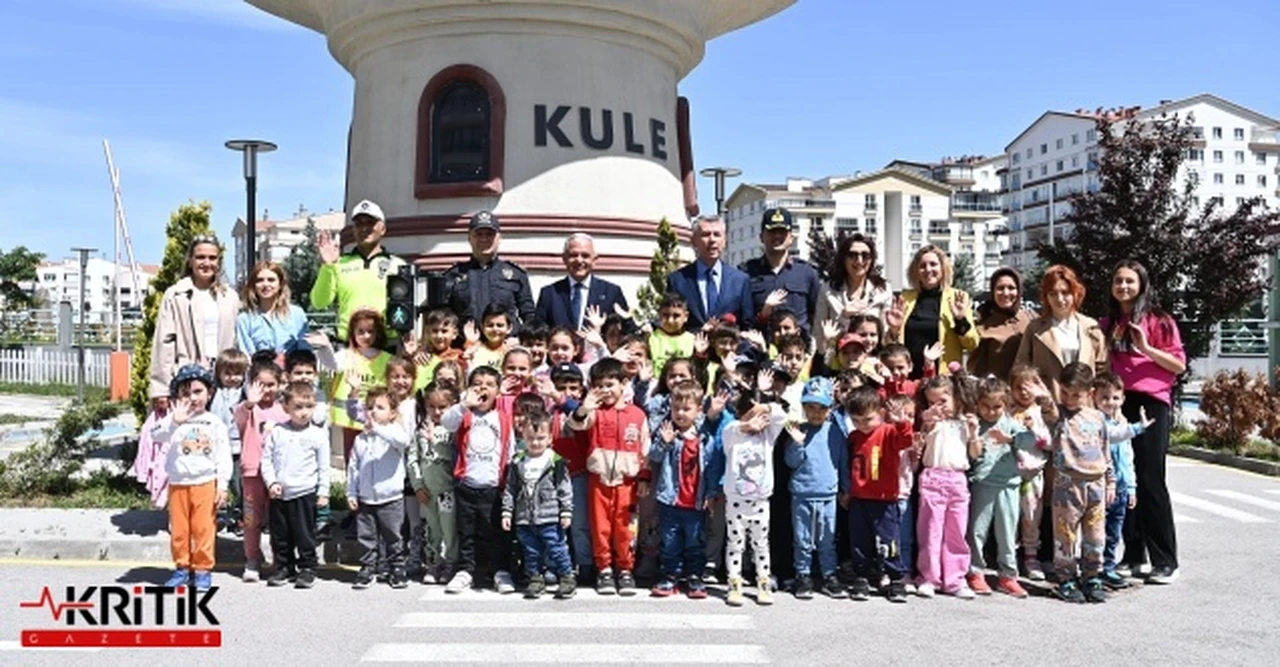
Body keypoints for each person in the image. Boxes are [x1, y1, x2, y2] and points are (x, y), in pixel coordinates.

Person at [1101, 259, 1185, 585]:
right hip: (1119, 404)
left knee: (1150, 479)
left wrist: (1146, 347)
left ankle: (1165, 559)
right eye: (1118, 281)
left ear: (1142, 285)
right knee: (1124, 479)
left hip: (1151, 403)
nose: (1123, 286)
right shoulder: (1109, 324)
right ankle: (1134, 555)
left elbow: (1177, 365)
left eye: (1130, 282)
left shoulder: (1159, 321)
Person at [568, 358, 650, 596]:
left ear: (624, 384)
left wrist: (644, 476)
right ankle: (603, 569)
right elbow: (576, 424)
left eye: (610, 384)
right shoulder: (594, 413)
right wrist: (585, 407)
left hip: (627, 482)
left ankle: (625, 569)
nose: (605, 390)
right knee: (600, 527)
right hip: (599, 480)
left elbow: (645, 448)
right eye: (599, 386)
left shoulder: (637, 415)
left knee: (625, 528)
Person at [151, 364, 232, 591]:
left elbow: (223, 456)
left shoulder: (213, 423)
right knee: (179, 530)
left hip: (205, 483)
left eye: (198, 392)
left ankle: (203, 570)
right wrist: (174, 420)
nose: (192, 398)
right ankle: (182, 568)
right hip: (178, 484)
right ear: (177, 396)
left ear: (209, 393)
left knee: (204, 529)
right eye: (185, 393)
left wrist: (222, 485)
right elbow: (156, 435)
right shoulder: (174, 420)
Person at [1042, 363, 1115, 604]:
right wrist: (1045, 397)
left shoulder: (1098, 418)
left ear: (1090, 393)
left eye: (1076, 395)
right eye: (1065, 393)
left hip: (1096, 484)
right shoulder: (1058, 415)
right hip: (1067, 485)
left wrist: (1110, 481)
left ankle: (1092, 576)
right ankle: (1066, 579)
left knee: (1095, 536)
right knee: (1065, 535)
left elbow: (1106, 451)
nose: (1070, 399)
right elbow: (1048, 411)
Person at [440, 366, 516, 594]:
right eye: (477, 384)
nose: (483, 388)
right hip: (467, 484)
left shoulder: (503, 418)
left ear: (498, 392)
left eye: (490, 384)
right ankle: (465, 571)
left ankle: (500, 571)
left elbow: (509, 450)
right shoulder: (464, 414)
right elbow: (446, 422)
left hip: (494, 487)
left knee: (496, 532)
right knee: (467, 532)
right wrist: (465, 403)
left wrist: (508, 482)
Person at [149, 234, 241, 415]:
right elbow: (164, 342)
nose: (206, 263)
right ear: (190, 261)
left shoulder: (230, 296)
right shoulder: (176, 294)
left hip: (223, 379)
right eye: (200, 257)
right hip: (187, 376)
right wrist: (161, 388)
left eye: (212, 258)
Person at [648, 380, 724, 599]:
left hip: (696, 502)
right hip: (670, 500)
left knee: (695, 542)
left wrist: (710, 494)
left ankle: (695, 577)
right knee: (670, 542)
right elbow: (654, 457)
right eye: (675, 408)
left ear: (698, 410)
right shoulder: (667, 431)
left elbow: (711, 467)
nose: (680, 413)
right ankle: (669, 576)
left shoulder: (705, 436)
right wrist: (664, 442)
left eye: (686, 409)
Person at [965, 377, 1037, 599]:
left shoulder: (1011, 424)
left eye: (997, 407)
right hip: (982, 484)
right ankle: (974, 571)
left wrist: (1013, 438)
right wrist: (973, 434)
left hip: (1009, 485)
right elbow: (971, 454)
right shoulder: (975, 424)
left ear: (1006, 405)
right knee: (977, 530)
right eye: (985, 406)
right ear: (978, 403)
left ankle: (1008, 576)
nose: (991, 412)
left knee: (1007, 532)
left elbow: (1031, 441)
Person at [841, 387, 914, 603]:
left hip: (885, 500)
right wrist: (846, 491)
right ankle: (862, 576)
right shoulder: (853, 437)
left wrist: (901, 422)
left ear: (881, 413)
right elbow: (847, 465)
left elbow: (905, 441)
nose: (862, 425)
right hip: (859, 499)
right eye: (856, 420)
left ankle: (895, 579)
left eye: (868, 419)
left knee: (889, 541)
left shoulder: (889, 431)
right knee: (859, 541)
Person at [719, 382, 787, 607]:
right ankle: (734, 582)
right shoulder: (733, 433)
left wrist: (766, 403)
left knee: (760, 543)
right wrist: (746, 424)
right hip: (736, 500)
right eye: (752, 415)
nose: (759, 421)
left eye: (762, 417)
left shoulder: (768, 436)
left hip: (760, 500)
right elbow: (731, 430)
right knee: (735, 543)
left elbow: (780, 416)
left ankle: (763, 581)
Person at [260, 381, 330, 589]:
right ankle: (284, 566)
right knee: (280, 535)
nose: (303, 413)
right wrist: (271, 482)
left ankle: (308, 567)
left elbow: (323, 466)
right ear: (286, 408)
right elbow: (267, 460)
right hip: (280, 494)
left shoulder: (317, 435)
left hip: (304, 493)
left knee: (304, 534)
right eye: (298, 407)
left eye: (308, 407)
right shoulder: (278, 432)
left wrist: (323, 491)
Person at [500, 411, 577, 599]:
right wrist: (507, 512)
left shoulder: (555, 462)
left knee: (557, 547)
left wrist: (566, 511)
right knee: (531, 551)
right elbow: (511, 489)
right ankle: (535, 578)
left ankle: (566, 577)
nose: (535, 443)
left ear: (550, 438)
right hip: (525, 517)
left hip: (550, 515)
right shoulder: (518, 461)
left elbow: (564, 487)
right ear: (523, 437)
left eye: (541, 438)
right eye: (531, 438)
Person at [311, 199, 410, 344]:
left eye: (370, 223)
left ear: (382, 229)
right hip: (348, 347)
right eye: (359, 223)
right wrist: (327, 267)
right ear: (353, 230)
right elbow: (319, 302)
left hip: (387, 346)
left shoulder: (397, 265)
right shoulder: (338, 264)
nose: (364, 228)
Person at [914, 376, 977, 600]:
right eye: (931, 402)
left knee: (956, 532)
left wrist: (975, 433)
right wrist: (927, 419)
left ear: (955, 398)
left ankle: (955, 579)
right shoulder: (931, 422)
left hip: (958, 479)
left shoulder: (964, 422)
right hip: (933, 477)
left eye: (942, 401)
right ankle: (929, 577)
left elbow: (975, 453)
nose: (937, 407)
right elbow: (923, 430)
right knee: (931, 531)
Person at [784, 378, 846, 600]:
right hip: (802, 493)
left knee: (827, 538)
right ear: (803, 407)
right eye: (810, 407)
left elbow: (843, 462)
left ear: (830, 408)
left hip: (828, 494)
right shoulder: (798, 430)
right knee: (802, 537)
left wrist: (845, 489)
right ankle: (803, 574)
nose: (816, 413)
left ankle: (829, 574)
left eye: (821, 408)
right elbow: (790, 462)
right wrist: (797, 444)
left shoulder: (835, 432)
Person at [347, 387, 412, 590]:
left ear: (392, 413)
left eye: (380, 407)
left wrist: (378, 429)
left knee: (394, 536)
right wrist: (351, 491)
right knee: (366, 536)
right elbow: (353, 467)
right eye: (370, 407)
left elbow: (403, 441)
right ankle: (367, 567)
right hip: (367, 498)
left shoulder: (394, 433)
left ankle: (397, 567)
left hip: (391, 498)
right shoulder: (361, 439)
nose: (373, 411)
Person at [884, 244, 978, 378]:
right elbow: (889, 348)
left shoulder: (957, 298)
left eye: (933, 264)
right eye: (922, 266)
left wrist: (960, 320)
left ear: (943, 268)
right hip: (907, 379)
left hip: (942, 381)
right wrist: (893, 330)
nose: (928, 269)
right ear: (916, 271)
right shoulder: (905, 299)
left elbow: (971, 343)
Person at [1093, 372, 1150, 590]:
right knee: (1097, 529)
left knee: (1114, 532)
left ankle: (1108, 567)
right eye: (1105, 398)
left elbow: (1127, 458)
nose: (1110, 402)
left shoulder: (1122, 421)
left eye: (1115, 398)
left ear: (1123, 398)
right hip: (1104, 485)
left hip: (1122, 487)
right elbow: (1113, 435)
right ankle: (1094, 567)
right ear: (1094, 398)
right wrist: (1138, 428)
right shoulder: (1098, 422)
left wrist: (1132, 488)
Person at [1014, 265, 1107, 400]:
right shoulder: (1034, 328)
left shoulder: (1090, 327)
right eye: (1053, 293)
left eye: (1065, 292)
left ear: (1075, 293)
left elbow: (1102, 368)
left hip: (1084, 406)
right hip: (1048, 403)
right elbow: (1021, 368)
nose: (1059, 299)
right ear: (1046, 296)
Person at [232, 357, 288, 582]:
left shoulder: (285, 410)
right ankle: (252, 559)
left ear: (280, 384)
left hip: (278, 474)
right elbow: (239, 420)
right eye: (260, 384)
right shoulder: (247, 409)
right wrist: (249, 403)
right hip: (253, 471)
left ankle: (280, 560)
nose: (266, 389)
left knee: (278, 520)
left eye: (271, 384)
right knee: (251, 519)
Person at [438, 211, 536, 330]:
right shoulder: (453, 275)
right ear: (469, 238)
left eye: (489, 234)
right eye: (478, 234)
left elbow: (529, 316)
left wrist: (520, 339)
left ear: (499, 238)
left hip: (506, 345)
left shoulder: (516, 274)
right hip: (465, 346)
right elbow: (440, 317)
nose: (484, 239)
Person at [740, 208, 821, 336]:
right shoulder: (746, 273)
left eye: (782, 232)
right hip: (760, 350)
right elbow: (743, 320)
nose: (777, 236)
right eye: (772, 231)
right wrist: (764, 313)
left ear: (791, 237)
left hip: (798, 351)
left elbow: (818, 315)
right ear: (761, 237)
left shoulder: (807, 273)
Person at [410, 381, 461, 585]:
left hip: (447, 490)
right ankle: (433, 562)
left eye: (442, 407)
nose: (437, 411)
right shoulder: (420, 430)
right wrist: (418, 486)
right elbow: (413, 459)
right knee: (432, 529)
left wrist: (435, 441)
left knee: (449, 529)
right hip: (428, 491)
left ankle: (450, 562)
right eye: (432, 406)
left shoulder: (453, 432)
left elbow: (453, 457)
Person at [667, 216, 755, 331]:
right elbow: (670, 322)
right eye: (705, 234)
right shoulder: (677, 281)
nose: (712, 240)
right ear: (694, 241)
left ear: (724, 241)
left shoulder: (740, 280)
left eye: (717, 235)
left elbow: (747, 325)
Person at [814, 233, 894, 349]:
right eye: (853, 255)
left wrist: (895, 329)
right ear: (843, 259)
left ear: (872, 260)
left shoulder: (883, 290)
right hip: (838, 360)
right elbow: (819, 333)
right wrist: (844, 317)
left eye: (865, 255)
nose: (859, 260)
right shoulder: (827, 290)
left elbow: (886, 338)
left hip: (873, 361)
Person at [535, 233, 629, 330]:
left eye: (585, 255)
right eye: (573, 255)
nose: (579, 260)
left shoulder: (611, 293)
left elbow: (626, 332)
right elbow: (539, 334)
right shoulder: (549, 294)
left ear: (594, 260)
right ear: (564, 259)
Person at [968, 268, 1032, 380]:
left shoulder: (1031, 318)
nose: (1005, 293)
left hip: (1027, 392)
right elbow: (975, 368)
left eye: (1011, 288)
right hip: (996, 393)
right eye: (1000, 288)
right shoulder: (982, 325)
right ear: (992, 291)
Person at [236, 261, 310, 356]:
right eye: (260, 280)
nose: (265, 284)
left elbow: (304, 353)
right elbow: (246, 356)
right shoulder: (245, 319)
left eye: (271, 280)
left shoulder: (297, 314)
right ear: (253, 285)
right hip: (259, 369)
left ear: (280, 284)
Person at [648, 293, 696, 378]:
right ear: (659, 314)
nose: (670, 321)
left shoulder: (693, 340)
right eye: (665, 315)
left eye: (676, 316)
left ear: (686, 316)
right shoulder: (650, 338)